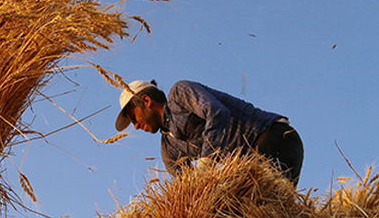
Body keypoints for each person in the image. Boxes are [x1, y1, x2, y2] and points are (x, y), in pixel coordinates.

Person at [114, 79, 304, 185]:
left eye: (134, 118)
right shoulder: (169, 148)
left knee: (268, 204)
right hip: (250, 165)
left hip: (272, 137)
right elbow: (187, 188)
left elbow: (217, 112)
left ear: (146, 101)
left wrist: (206, 160)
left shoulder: (179, 95)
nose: (135, 126)